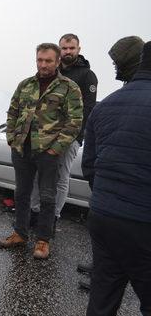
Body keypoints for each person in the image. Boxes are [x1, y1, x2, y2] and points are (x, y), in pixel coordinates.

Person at [82, 41, 151, 316]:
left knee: (102, 302)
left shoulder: (106, 105)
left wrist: (110, 198)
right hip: (142, 222)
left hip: (104, 217)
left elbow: (90, 167)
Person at [0, 43, 83, 259]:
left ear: (57, 62)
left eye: (47, 61)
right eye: (40, 60)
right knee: (21, 193)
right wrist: (11, 137)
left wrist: (56, 149)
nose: (43, 64)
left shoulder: (69, 87)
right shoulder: (25, 84)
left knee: (47, 197)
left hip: (48, 152)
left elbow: (75, 122)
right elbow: (13, 112)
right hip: (22, 149)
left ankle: (43, 240)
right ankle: (20, 233)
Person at [77, 35, 145, 291]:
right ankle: (101, 269)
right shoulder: (126, 88)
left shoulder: (129, 94)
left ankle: (108, 275)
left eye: (117, 63)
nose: (114, 68)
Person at [30, 34, 98, 224]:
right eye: (65, 48)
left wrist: (75, 137)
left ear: (78, 49)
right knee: (39, 174)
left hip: (70, 136)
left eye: (72, 48)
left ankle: (53, 216)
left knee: (60, 176)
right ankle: (34, 211)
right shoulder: (52, 71)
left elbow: (88, 110)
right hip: (45, 135)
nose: (68, 52)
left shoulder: (87, 75)